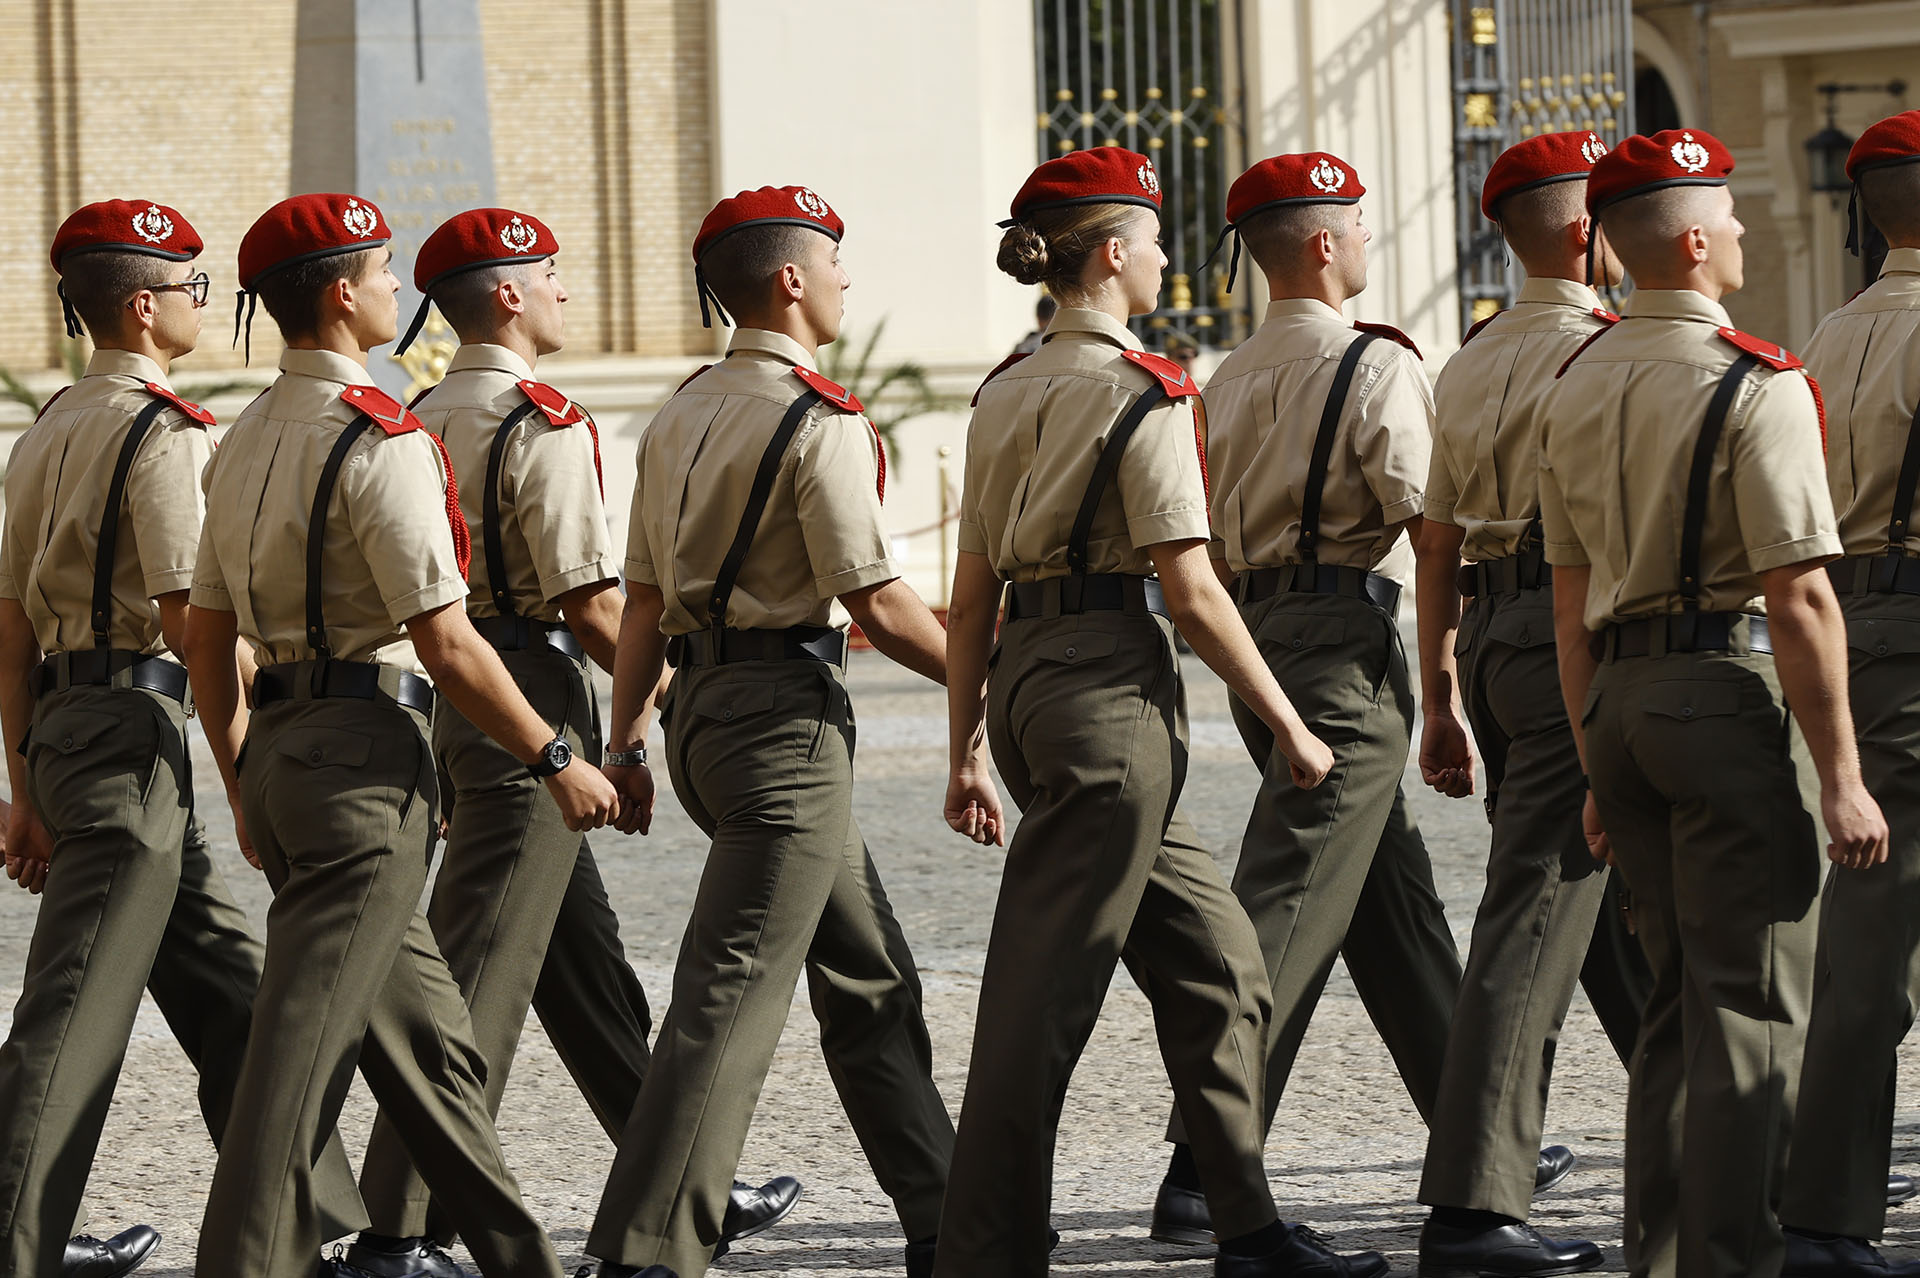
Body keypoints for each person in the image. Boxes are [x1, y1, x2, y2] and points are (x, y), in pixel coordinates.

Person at [939, 145, 1385, 1278]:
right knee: (1046, 992)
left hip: (1036, 680)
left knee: (1221, 968)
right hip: (1107, 697)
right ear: (1112, 252)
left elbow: (974, 586)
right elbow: (1189, 589)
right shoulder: (1144, 389)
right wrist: (1289, 722)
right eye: (1153, 236)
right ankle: (982, 1248)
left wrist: (966, 747)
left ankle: (1246, 1228)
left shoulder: (1005, 386)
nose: (1168, 256)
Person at [345, 207, 799, 1278]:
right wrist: (663, 714)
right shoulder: (539, 422)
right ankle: (397, 1230)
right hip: (533, 695)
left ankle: (684, 1185)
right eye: (550, 275)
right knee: (479, 973)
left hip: (455, 695)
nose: (564, 292)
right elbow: (594, 608)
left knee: (581, 968)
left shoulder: (410, 416)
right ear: (506, 294)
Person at [185, 192, 618, 1278]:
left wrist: (241, 781)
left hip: (283, 756)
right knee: (296, 1065)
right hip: (364, 765)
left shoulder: (238, 439)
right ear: (342, 295)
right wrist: (554, 757)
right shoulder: (381, 439)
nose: (395, 291)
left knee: (433, 1049)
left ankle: (517, 1257)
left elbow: (205, 640)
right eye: (382, 274)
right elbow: (450, 642)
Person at [1151, 152, 1530, 1247]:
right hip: (1345, 644)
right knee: (1288, 894)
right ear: (1324, 243)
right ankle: (1199, 1156)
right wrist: (1449, 681)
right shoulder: (1376, 367)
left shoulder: (1219, 378)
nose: (1366, 243)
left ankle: (1478, 1129)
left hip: (1262, 637)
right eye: (1358, 226)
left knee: (1388, 901)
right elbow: (1432, 527)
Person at [583, 183, 956, 1278]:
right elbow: (879, 602)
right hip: (783, 728)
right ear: (792, 279)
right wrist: (985, 686)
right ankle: (645, 1251)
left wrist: (627, 743)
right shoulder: (818, 418)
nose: (847, 283)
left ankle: (947, 1219)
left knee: (872, 970)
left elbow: (640, 603)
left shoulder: (682, 409)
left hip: (705, 718)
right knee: (732, 989)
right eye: (836, 263)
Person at [1540, 129, 1887, 1278]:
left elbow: (1568, 601)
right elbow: (1799, 596)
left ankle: (1665, 1255)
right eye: (1731, 216)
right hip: (1723, 700)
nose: (1742, 231)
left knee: (1677, 1010)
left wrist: (1595, 762)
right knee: (1750, 1016)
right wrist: (1841, 776)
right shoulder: (1758, 378)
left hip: (1624, 705)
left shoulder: (1574, 379)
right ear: (1694, 241)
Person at [0, 200, 365, 1278]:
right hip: (128, 735)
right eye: (193, 286)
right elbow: (189, 620)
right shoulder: (161, 433)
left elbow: (11, 630)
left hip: (79, 732)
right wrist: (252, 758)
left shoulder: (47, 428)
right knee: (73, 1004)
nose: (203, 304)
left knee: (230, 989)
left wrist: (23, 782)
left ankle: (319, 1223)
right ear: (144, 306)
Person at [1412, 132, 1651, 1277]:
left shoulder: (1468, 360)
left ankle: (1727, 1130)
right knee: (1541, 901)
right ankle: (1472, 1207)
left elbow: (1437, 545)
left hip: (1497, 642)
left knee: (1599, 910)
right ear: (1584, 232)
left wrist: (1438, 690)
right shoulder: (1601, 354)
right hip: (1576, 641)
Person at [1776, 108, 1920, 1278]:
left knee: (1876, 923)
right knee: (1873, 935)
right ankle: (1824, 1211)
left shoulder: (1822, 338)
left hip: (1854, 621)